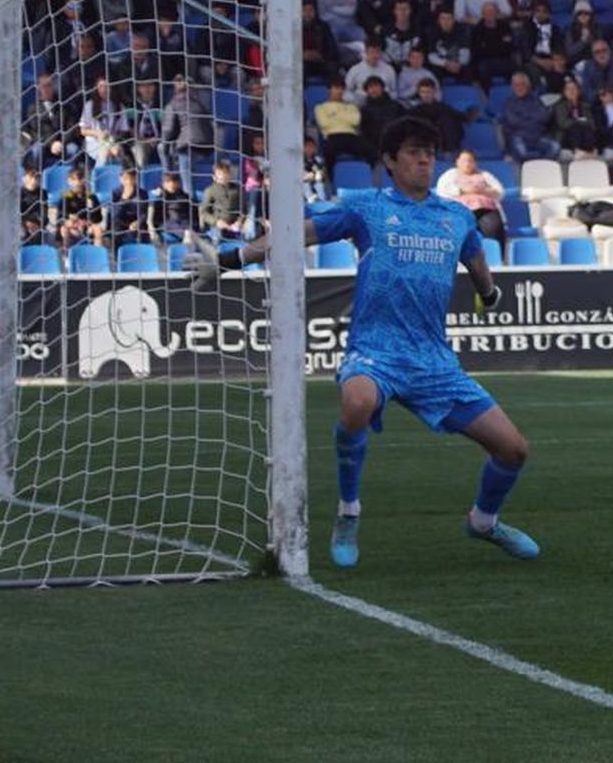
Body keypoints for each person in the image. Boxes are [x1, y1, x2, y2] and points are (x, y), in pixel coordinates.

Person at [185, 117, 538, 568]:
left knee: (514, 450)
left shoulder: (454, 215)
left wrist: (488, 293)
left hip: (434, 361)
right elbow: (299, 233)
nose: (424, 159)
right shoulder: (366, 208)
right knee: (357, 402)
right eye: (413, 151)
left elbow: (474, 254)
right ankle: (348, 511)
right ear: (390, 160)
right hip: (376, 349)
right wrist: (231, 260)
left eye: (429, 151)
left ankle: (484, 522)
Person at [435, 149, 507, 247]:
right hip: (459, 210)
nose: (467, 164)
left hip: (486, 209)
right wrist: (463, 190)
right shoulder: (450, 175)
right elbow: (442, 191)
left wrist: (482, 191)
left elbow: (500, 192)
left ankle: (495, 257)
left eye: (470, 161)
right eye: (464, 161)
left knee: (494, 228)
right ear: (457, 162)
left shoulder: (484, 175)